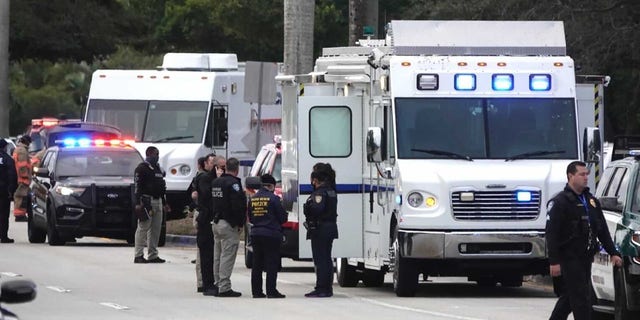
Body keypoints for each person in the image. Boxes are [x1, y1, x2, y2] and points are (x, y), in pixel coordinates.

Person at [546, 161, 622, 320]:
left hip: (585, 257)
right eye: (582, 174)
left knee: (569, 297)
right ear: (570, 176)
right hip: (569, 257)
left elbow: (602, 230)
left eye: (587, 174)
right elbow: (552, 234)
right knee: (581, 298)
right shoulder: (560, 202)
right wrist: (554, 261)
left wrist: (613, 253)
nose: (586, 177)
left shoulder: (591, 201)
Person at [211, 157, 246, 297]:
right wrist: (239, 223)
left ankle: (218, 283)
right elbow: (237, 206)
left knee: (218, 255)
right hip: (228, 224)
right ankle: (224, 287)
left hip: (216, 222)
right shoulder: (233, 184)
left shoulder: (216, 182)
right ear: (237, 169)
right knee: (227, 255)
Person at [249, 174, 287, 298]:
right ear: (271, 186)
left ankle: (256, 292)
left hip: (255, 234)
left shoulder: (253, 198)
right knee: (271, 263)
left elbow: (250, 217)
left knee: (257, 264)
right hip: (271, 234)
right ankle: (271, 291)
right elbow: (282, 218)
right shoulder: (274, 198)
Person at [303, 162, 338, 298]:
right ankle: (326, 287)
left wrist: (308, 208)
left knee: (321, 259)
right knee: (326, 259)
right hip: (329, 228)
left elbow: (317, 209)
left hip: (321, 228)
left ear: (316, 180)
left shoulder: (320, 193)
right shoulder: (331, 191)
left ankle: (322, 288)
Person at [133, 146, 171, 264]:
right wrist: (138, 203)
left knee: (156, 229)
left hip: (158, 200)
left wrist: (165, 203)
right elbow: (137, 187)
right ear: (149, 154)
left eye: (158, 154)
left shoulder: (158, 168)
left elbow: (161, 187)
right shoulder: (141, 168)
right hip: (146, 201)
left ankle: (153, 255)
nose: (157, 157)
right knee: (143, 228)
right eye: (155, 154)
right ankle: (138, 255)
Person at [196, 154, 218, 296]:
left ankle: (211, 283)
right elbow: (204, 196)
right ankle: (206, 284)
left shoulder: (217, 180)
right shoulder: (204, 179)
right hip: (205, 220)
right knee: (206, 254)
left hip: (213, 220)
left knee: (213, 254)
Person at [190, 155, 209, 292]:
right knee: (202, 250)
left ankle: (205, 281)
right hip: (202, 214)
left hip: (204, 214)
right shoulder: (201, 178)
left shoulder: (206, 178)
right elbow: (192, 195)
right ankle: (202, 282)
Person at [0, 139, 18, 243]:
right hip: (3, 190)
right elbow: (12, 175)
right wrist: (12, 190)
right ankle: (3, 236)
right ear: (4, 147)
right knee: (3, 214)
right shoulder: (7, 159)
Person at [12, 135, 32, 222]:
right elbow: (22, 165)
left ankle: (20, 214)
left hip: (20, 177)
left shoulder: (20, 149)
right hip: (22, 178)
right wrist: (25, 175)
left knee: (20, 196)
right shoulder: (22, 151)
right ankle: (19, 215)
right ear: (26, 142)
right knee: (21, 196)